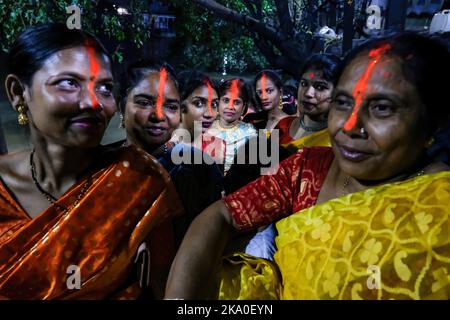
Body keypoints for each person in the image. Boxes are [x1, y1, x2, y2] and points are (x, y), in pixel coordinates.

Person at [165, 33, 450, 300]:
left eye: (382, 108)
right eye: (343, 103)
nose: (349, 126)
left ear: (433, 124)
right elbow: (223, 215)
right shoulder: (308, 168)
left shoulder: (441, 206)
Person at [0, 23, 184, 299]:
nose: (94, 103)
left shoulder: (139, 180)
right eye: (69, 83)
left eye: (105, 88)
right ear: (17, 93)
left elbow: (163, 287)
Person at [119, 62, 224, 247]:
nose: (159, 115)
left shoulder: (196, 168)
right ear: (121, 105)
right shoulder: (95, 166)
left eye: (171, 106)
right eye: (144, 103)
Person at [275, 54, 341, 154]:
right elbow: (262, 164)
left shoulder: (336, 142)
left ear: (336, 93)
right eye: (304, 84)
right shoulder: (284, 125)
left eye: (320, 87)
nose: (308, 93)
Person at [207, 78, 257, 175]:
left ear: (243, 107)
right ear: (217, 102)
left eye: (236, 102)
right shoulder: (204, 127)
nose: (230, 107)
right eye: (226, 100)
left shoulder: (250, 133)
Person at [177, 70, 226, 166]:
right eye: (198, 103)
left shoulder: (216, 147)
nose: (209, 114)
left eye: (214, 104)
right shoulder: (159, 146)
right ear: (178, 104)